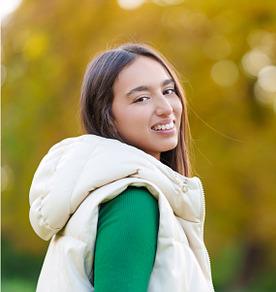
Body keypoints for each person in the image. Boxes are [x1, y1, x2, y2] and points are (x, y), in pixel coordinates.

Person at [29, 43, 214, 291]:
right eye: (142, 98)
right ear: (106, 118)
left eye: (168, 90)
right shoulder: (132, 201)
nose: (166, 108)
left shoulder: (102, 196)